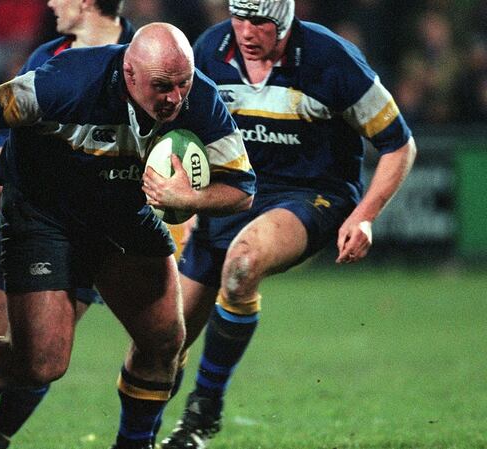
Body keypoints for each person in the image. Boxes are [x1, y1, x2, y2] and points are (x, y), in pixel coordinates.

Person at [0, 22, 257, 449]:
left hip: (122, 217)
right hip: (45, 218)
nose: (175, 98)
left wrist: (189, 198)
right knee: (41, 363)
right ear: (130, 72)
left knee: (164, 341)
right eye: (162, 86)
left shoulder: (201, 99)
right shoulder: (69, 80)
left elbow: (242, 189)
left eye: (183, 84)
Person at [158, 1, 417, 448]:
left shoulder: (331, 60)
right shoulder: (208, 50)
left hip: (312, 196)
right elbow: (192, 134)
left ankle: (203, 409)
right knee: (160, 345)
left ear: (286, 21)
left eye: (260, 21)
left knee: (242, 266)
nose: (245, 31)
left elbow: (399, 144)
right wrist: (193, 202)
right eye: (239, 17)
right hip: (231, 196)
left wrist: (365, 216)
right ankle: (137, 437)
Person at [0, 1, 135, 446]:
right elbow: (9, 115)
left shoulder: (141, 56)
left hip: (93, 229)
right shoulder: (46, 55)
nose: (49, 3)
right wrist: (2, 157)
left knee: (42, 347)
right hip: (27, 212)